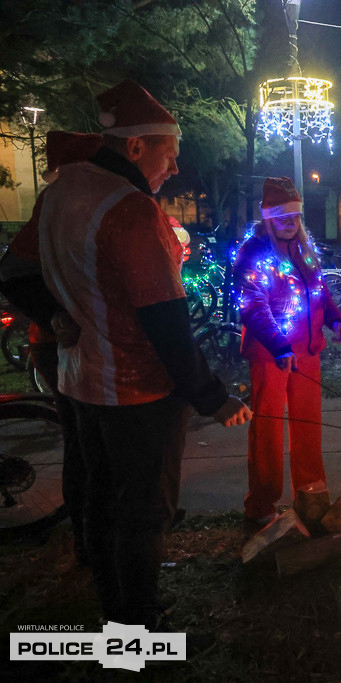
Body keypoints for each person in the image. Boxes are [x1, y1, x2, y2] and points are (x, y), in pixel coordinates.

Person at [36, 80, 251, 629]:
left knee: (104, 504)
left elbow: (14, 271)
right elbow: (166, 322)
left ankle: (117, 610)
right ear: (136, 148)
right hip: (137, 392)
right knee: (143, 514)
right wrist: (212, 397)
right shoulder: (131, 210)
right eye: (169, 153)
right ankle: (137, 636)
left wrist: (53, 314)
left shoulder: (62, 191)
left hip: (81, 383)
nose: (175, 168)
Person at [0, 130, 103, 565]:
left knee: (92, 447)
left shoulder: (80, 203)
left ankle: (96, 539)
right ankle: (90, 542)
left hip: (84, 347)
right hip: (62, 348)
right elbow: (12, 271)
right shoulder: (57, 203)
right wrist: (54, 316)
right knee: (86, 447)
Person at [235, 177, 341, 528]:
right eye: (283, 219)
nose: (291, 225)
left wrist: (333, 318)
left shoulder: (303, 250)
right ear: (269, 219)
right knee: (267, 427)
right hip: (272, 353)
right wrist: (278, 344)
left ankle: (310, 493)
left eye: (295, 218)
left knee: (307, 424)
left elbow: (319, 289)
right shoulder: (254, 252)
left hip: (307, 350)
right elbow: (252, 303)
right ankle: (262, 502)